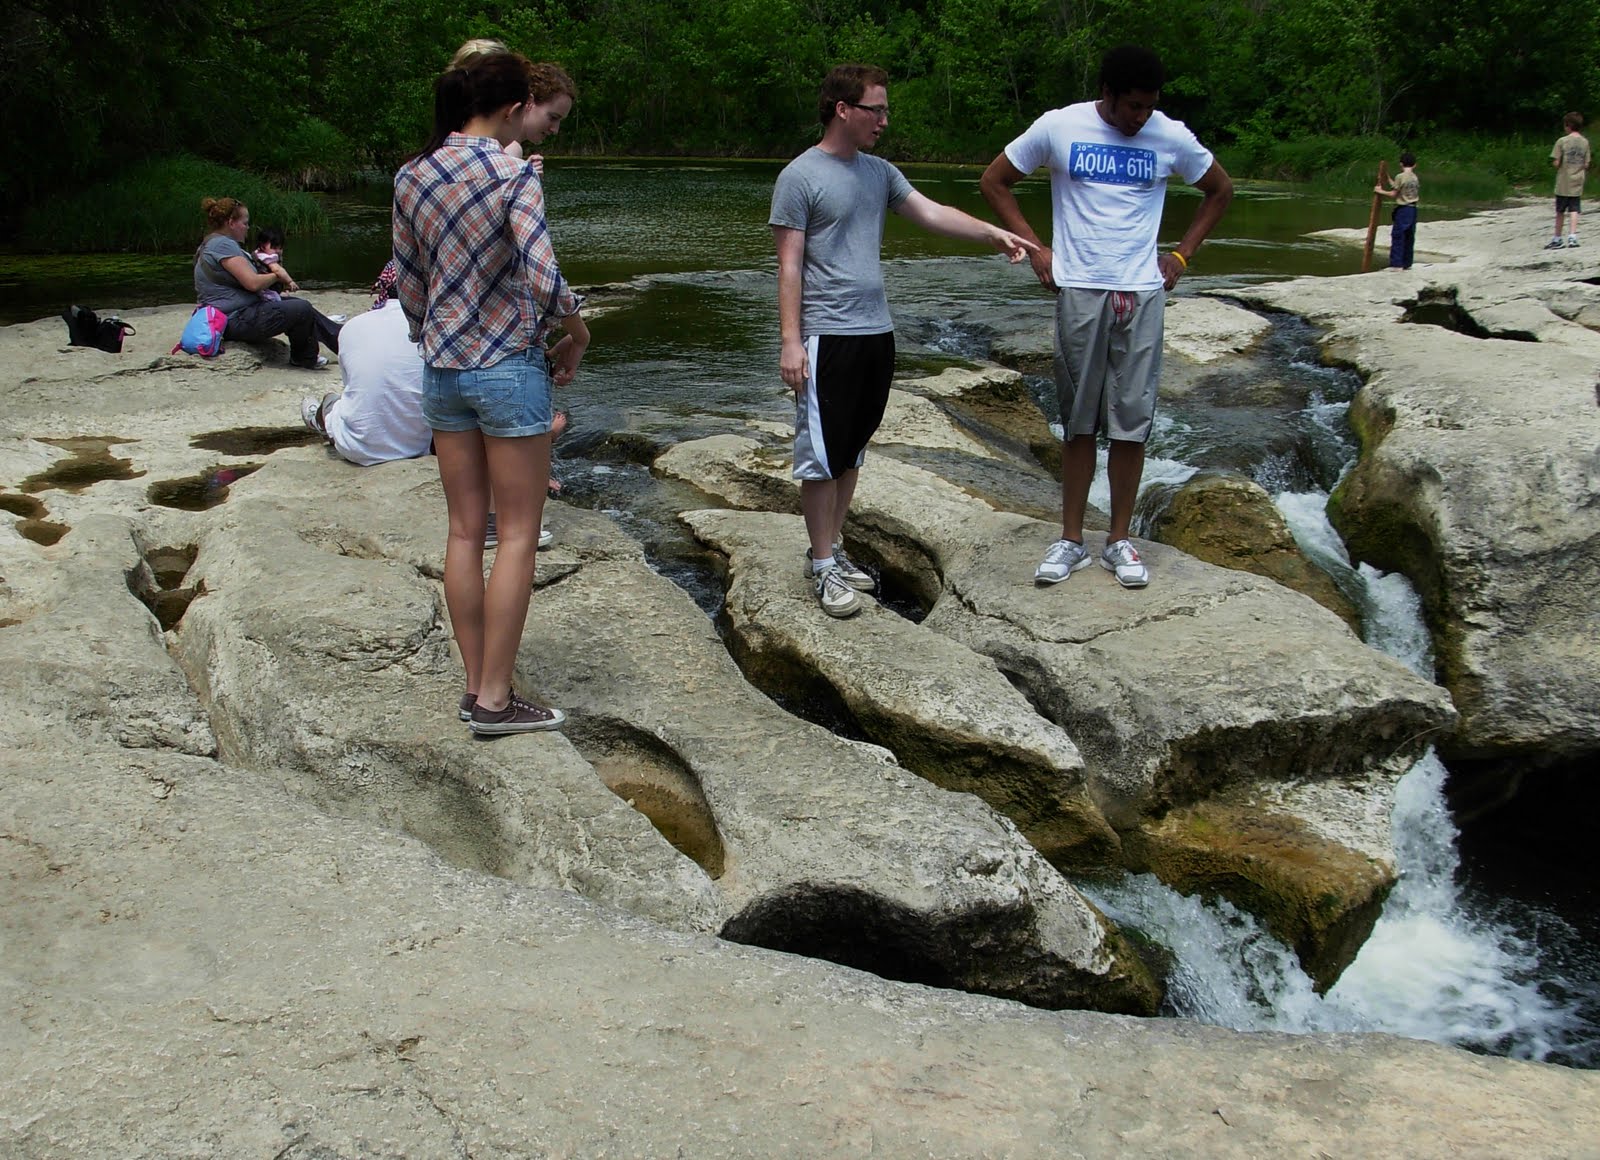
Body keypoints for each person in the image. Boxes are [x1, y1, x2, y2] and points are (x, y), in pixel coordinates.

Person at [771, 63, 1037, 618]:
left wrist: (992, 232)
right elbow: (788, 265)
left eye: (885, 110)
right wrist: (791, 341)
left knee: (851, 450)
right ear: (843, 109)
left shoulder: (879, 172)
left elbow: (931, 213)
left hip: (876, 332)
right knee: (821, 454)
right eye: (876, 110)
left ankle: (832, 548)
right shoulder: (799, 177)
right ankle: (821, 564)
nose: (884, 121)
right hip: (827, 335)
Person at [980, 44, 1233, 589]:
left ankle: (1119, 541)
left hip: (1142, 292)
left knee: (1131, 422)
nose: (1141, 117)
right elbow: (994, 181)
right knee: (1078, 421)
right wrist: (1036, 249)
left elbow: (1219, 190)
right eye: (1133, 106)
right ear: (1108, 94)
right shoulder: (1059, 127)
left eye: (1149, 106)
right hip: (1080, 288)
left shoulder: (1169, 136)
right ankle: (1071, 540)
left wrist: (1182, 255)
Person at [393, 50, 588, 734]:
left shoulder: (412, 174)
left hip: (442, 370)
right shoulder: (515, 175)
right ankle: (497, 703)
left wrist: (435, 337)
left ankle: (475, 685)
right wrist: (577, 329)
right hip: (507, 366)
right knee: (519, 535)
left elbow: (409, 285)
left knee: (463, 531)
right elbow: (543, 276)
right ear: (513, 108)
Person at [299, 261, 562, 549]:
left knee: (333, 403)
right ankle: (517, 520)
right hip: (421, 443)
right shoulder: (444, 330)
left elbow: (354, 386)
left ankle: (319, 419)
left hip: (361, 446)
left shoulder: (353, 327)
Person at [194, 197, 342, 369]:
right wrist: (276, 276)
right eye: (245, 223)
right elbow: (252, 283)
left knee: (298, 305)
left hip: (233, 316)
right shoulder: (223, 245)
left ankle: (342, 340)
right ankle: (305, 358)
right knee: (300, 309)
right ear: (231, 223)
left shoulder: (211, 243)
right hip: (233, 320)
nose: (248, 228)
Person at [1548, 112, 1592, 250]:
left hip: (1563, 181)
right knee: (1574, 209)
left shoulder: (1562, 141)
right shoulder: (1585, 142)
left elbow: (1556, 162)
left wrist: (1557, 164)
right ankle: (1572, 237)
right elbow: (1587, 164)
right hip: (1577, 180)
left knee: (1560, 211)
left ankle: (1557, 238)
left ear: (1568, 125)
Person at [1373, 152, 1420, 270]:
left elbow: (1394, 194)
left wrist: (1379, 191)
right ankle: (1407, 263)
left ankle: (1396, 264)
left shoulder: (1400, 176)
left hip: (1403, 209)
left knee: (1398, 236)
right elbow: (1399, 187)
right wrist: (1388, 179)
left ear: (1401, 164)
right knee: (1409, 236)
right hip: (1413, 209)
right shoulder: (1414, 177)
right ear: (1415, 165)